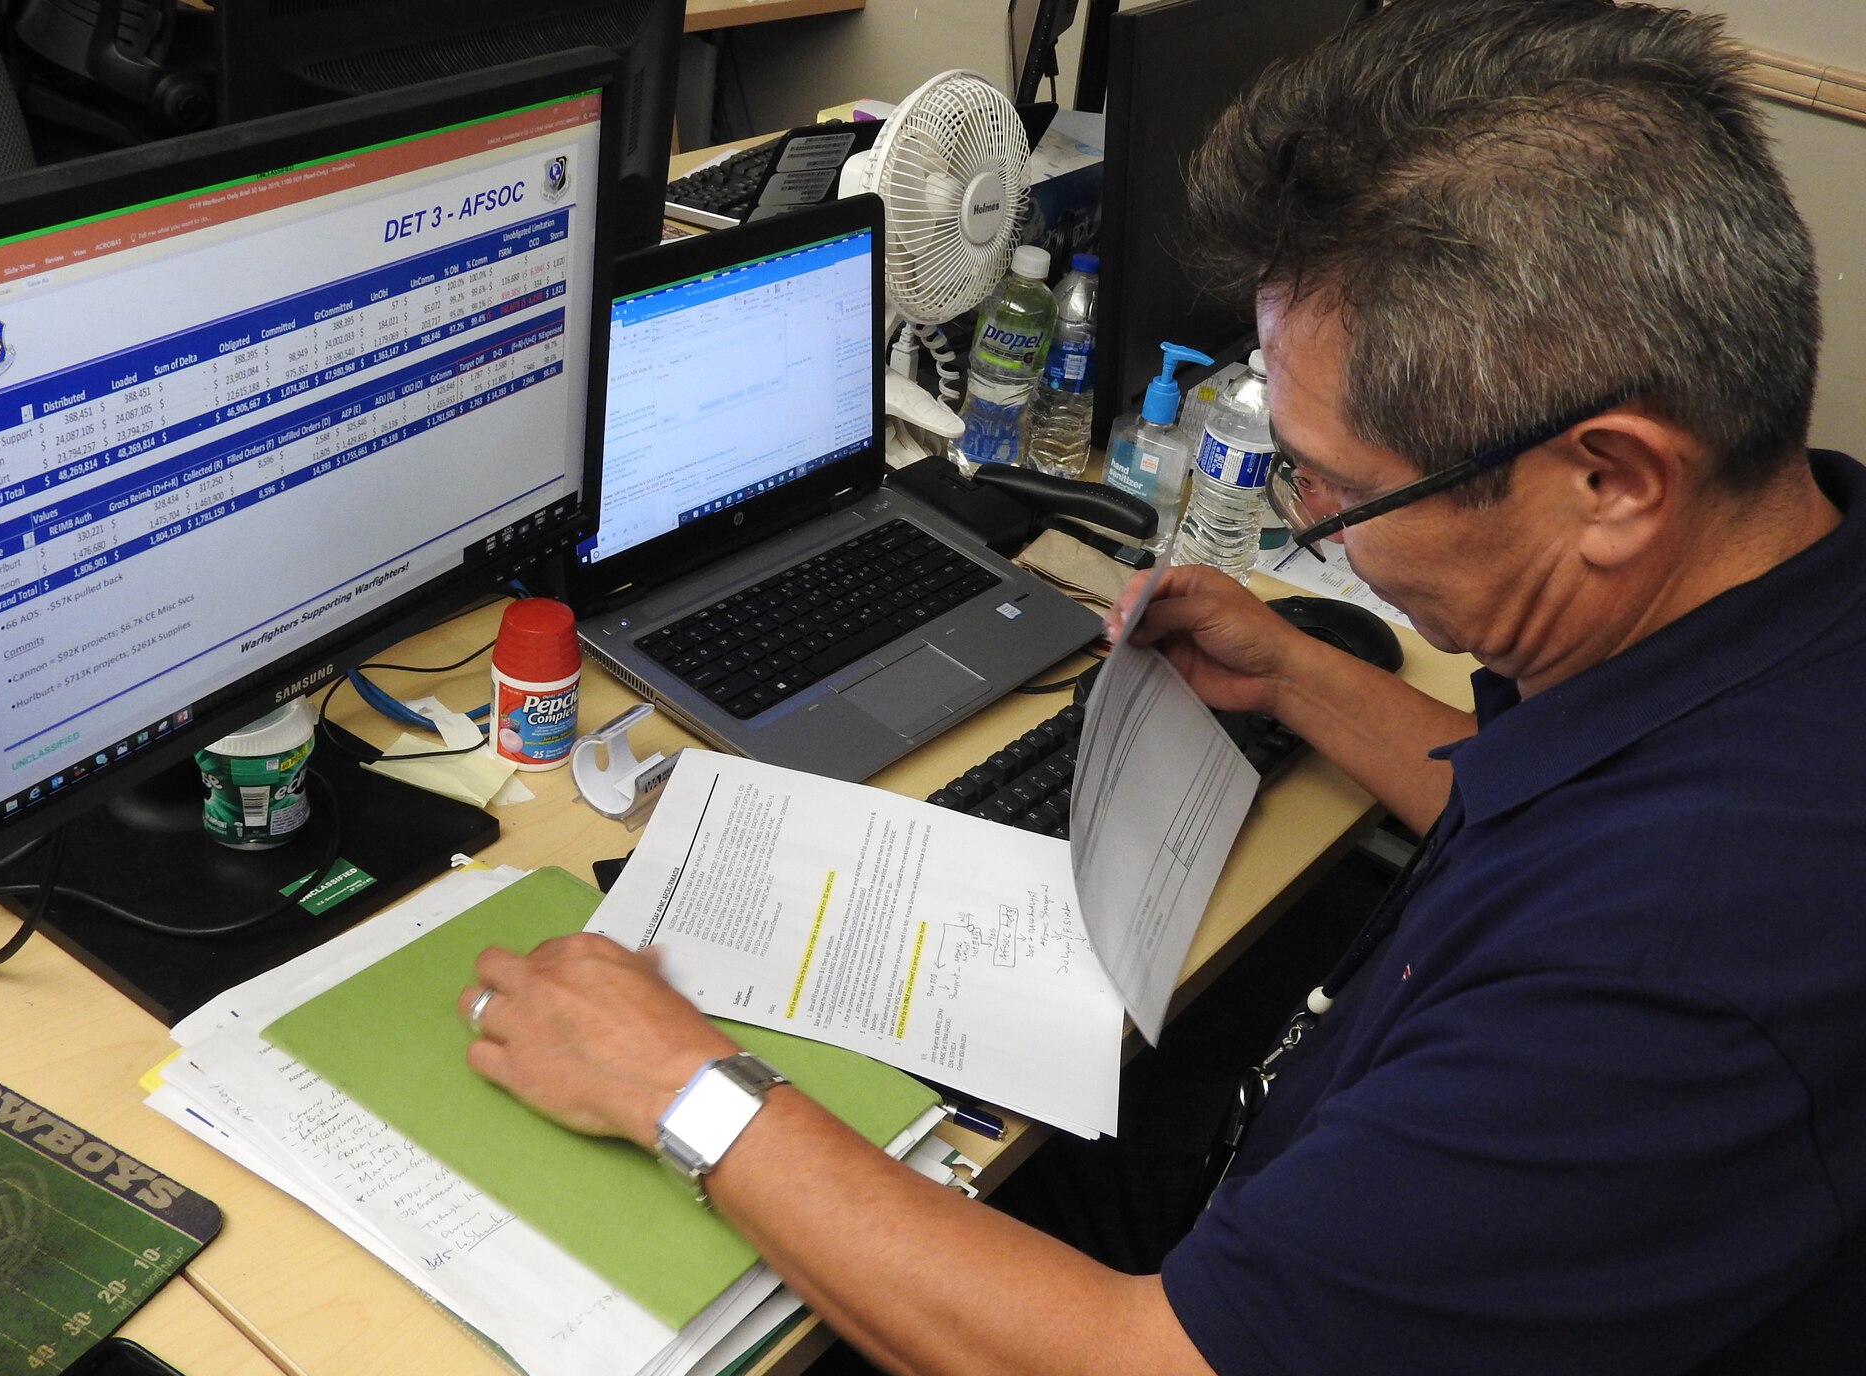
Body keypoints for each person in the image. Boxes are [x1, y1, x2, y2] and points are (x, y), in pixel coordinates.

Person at [459, 1, 1866, 1370]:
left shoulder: (1679, 975)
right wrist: (1305, 679)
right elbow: (1565, 811)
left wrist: (683, 1090)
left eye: (1331, 486)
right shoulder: (1783, 616)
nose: (1306, 521)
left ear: (1610, 480)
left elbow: (1146, 1359)